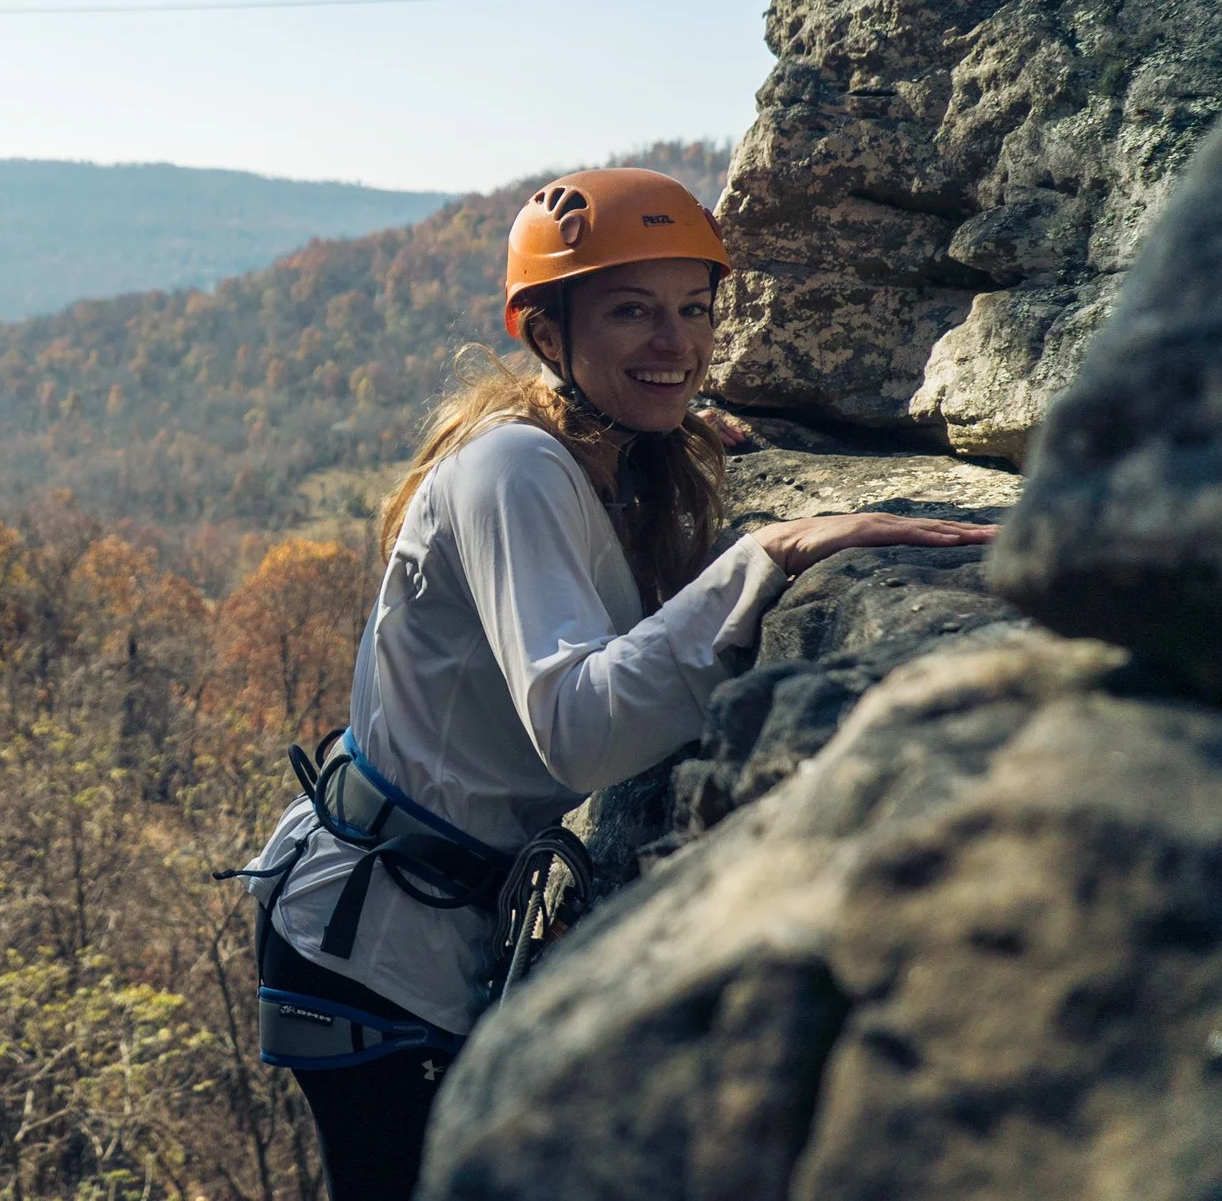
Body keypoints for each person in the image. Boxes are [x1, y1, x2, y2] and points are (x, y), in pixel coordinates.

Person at [239, 168, 995, 1201]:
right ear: (549, 334)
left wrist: (676, 425)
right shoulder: (513, 468)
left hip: (419, 915)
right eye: (630, 311)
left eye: (692, 310)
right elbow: (581, 731)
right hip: (370, 944)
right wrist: (765, 554)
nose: (674, 343)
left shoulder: (608, 451)